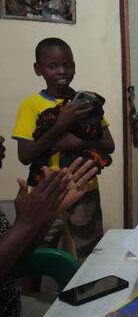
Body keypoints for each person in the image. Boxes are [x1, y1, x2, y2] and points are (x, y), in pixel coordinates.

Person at [12, 37, 115, 259]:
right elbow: (25, 156)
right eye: (53, 66)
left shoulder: (88, 102)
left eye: (68, 64)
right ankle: (31, 295)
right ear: (38, 69)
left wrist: (77, 143)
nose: (62, 71)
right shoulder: (31, 105)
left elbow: (109, 145)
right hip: (45, 190)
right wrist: (60, 124)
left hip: (84, 187)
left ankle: (89, 292)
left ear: (75, 66)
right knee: (38, 251)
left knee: (88, 250)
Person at [0, 133, 98, 317]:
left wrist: (47, 216)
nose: (2, 139)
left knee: (96, 316)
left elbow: (12, 262)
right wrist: (24, 224)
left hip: (10, 307)